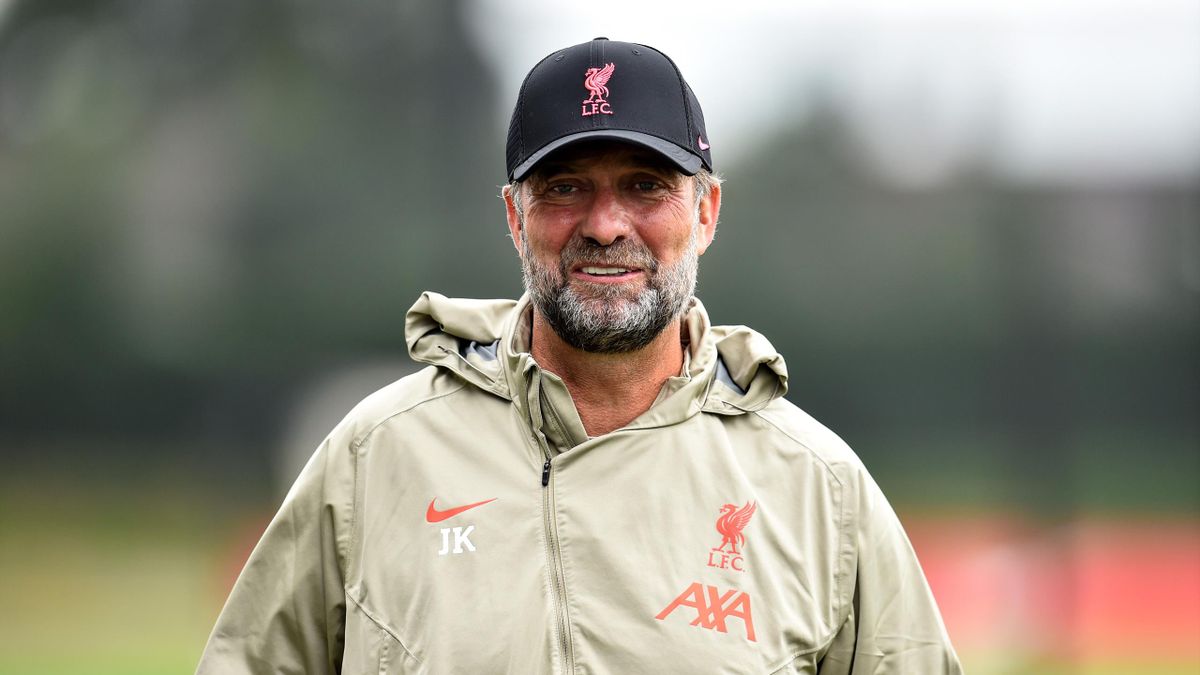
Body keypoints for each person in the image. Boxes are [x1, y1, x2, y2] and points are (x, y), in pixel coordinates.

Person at [197, 38, 962, 674]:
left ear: (706, 212)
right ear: (514, 216)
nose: (604, 224)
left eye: (645, 185)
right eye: (564, 187)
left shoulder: (820, 487)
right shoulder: (375, 456)